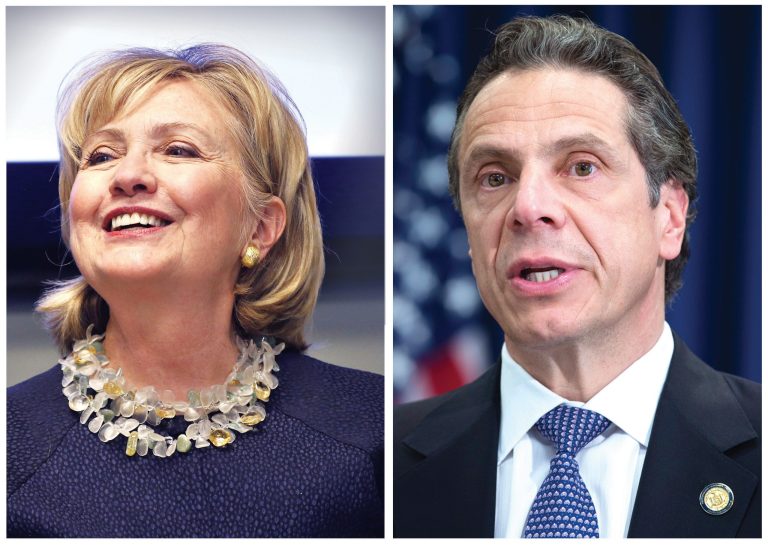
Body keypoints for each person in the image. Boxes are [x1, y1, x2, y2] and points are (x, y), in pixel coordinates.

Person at [394, 15, 760, 539]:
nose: (529, 207)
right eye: (495, 177)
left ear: (670, 218)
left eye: (582, 167)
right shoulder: (378, 470)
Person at [7, 44, 383, 538]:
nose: (128, 176)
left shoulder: (374, 430)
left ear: (261, 226)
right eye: (101, 155)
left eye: (178, 150)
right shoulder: (9, 445)